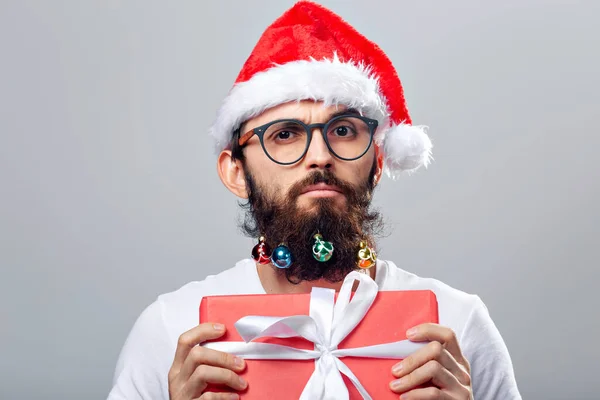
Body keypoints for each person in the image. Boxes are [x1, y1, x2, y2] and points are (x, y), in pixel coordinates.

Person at [108, 1, 521, 399]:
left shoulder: (457, 325)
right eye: (284, 135)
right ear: (236, 172)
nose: (320, 156)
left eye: (343, 131)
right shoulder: (171, 330)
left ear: (377, 161)